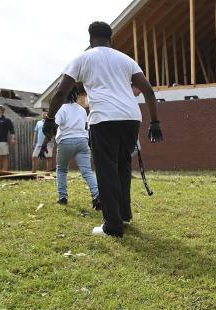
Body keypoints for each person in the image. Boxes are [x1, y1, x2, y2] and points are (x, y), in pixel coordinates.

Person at [44, 21, 161, 237]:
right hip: (130, 118)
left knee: (106, 171)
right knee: (123, 167)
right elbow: (148, 91)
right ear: (111, 39)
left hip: (104, 120)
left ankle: (113, 226)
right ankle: (124, 216)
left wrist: (50, 118)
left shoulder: (82, 58)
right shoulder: (126, 60)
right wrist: (155, 122)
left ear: (90, 40)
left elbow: (61, 93)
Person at [54, 87, 99, 209]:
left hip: (66, 141)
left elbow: (55, 125)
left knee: (62, 170)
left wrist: (44, 144)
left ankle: (63, 197)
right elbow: (85, 126)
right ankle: (97, 196)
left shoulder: (61, 109)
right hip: (82, 141)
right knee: (87, 171)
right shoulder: (82, 109)